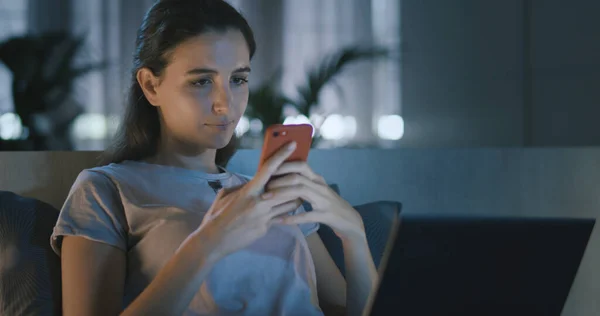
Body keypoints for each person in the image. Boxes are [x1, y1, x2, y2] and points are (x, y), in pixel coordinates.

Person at [51, 0, 378, 315]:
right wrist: (208, 243)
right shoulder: (106, 189)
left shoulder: (268, 192)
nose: (226, 104)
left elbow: (343, 309)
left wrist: (355, 238)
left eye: (238, 79)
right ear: (151, 86)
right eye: (202, 81)